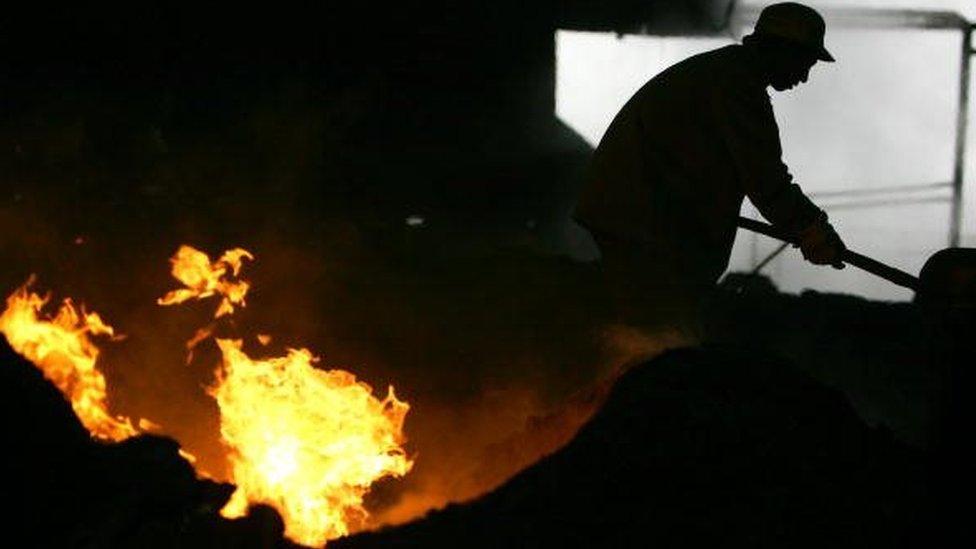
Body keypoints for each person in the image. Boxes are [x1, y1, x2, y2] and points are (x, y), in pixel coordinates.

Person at [573, 2, 846, 334]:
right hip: (639, 215)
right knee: (660, 319)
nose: (803, 76)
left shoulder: (726, 74)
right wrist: (810, 227)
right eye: (803, 63)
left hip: (634, 209)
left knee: (657, 315)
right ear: (780, 49)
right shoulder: (735, 86)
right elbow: (764, 178)